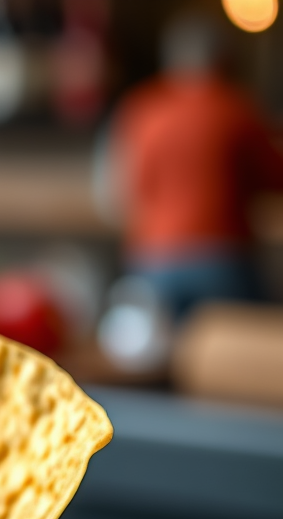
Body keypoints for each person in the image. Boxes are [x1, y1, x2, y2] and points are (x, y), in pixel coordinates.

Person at [110, 14, 283, 319]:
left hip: (150, 262)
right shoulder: (238, 108)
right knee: (253, 341)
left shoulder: (138, 109)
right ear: (224, 60)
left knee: (155, 358)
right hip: (223, 261)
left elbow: (118, 191)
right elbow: (275, 178)